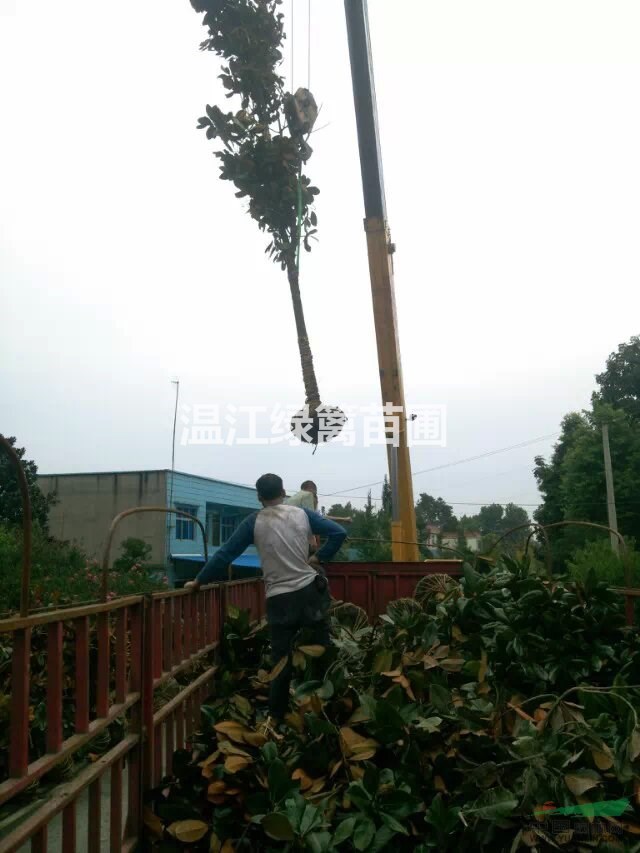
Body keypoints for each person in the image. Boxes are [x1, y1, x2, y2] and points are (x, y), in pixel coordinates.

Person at [185, 473, 347, 720]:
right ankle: (326, 713)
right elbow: (338, 533)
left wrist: (198, 581)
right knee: (321, 654)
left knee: (281, 663)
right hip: (309, 593)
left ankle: (277, 718)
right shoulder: (303, 515)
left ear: (259, 497)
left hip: (279, 600)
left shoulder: (253, 522)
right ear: (283, 492)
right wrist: (318, 557)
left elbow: (225, 555)